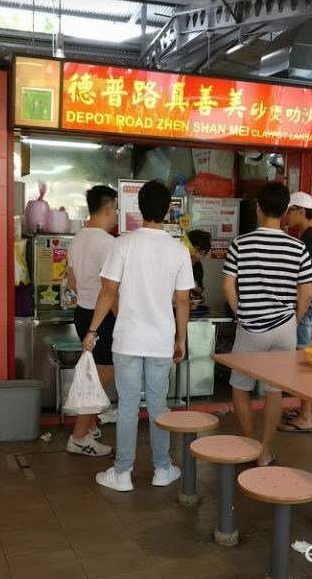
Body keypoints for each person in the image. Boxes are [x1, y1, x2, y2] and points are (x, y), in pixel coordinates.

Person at [83, 179, 195, 491]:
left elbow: (108, 292)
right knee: (159, 406)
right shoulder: (178, 250)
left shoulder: (123, 244)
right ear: (169, 211)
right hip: (160, 341)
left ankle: (122, 474)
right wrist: (181, 339)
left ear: (139, 209)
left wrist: (92, 330)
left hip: (128, 341)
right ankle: (162, 468)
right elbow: (183, 300)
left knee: (128, 407)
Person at [222, 181, 312, 466]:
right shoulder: (298, 247)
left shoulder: (241, 244)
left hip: (250, 328)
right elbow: (307, 292)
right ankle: (264, 450)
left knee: (240, 386)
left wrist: (242, 313)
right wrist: (292, 320)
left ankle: (251, 447)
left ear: (258, 207)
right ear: (286, 210)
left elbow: (227, 287)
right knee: (275, 390)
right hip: (284, 328)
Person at [66, 185, 118, 457]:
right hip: (103, 316)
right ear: (109, 210)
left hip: (83, 314)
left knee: (93, 373)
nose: (116, 217)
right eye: (116, 211)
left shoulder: (77, 239)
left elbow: (72, 282)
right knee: (100, 377)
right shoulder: (109, 243)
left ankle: (89, 427)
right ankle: (79, 436)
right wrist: (121, 321)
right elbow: (112, 290)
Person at [279, 191, 312, 433]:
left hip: (305, 305)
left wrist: (297, 313)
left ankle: (306, 416)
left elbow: (303, 284)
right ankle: (309, 410)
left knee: (302, 362)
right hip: (308, 304)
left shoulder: (309, 239)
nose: (285, 216)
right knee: (303, 360)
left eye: (289, 210)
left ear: (299, 211)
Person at [187, 229, 211, 299]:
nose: (197, 255)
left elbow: (198, 292)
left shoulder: (198, 266)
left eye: (201, 253)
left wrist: (194, 286)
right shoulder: (176, 262)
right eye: (195, 251)